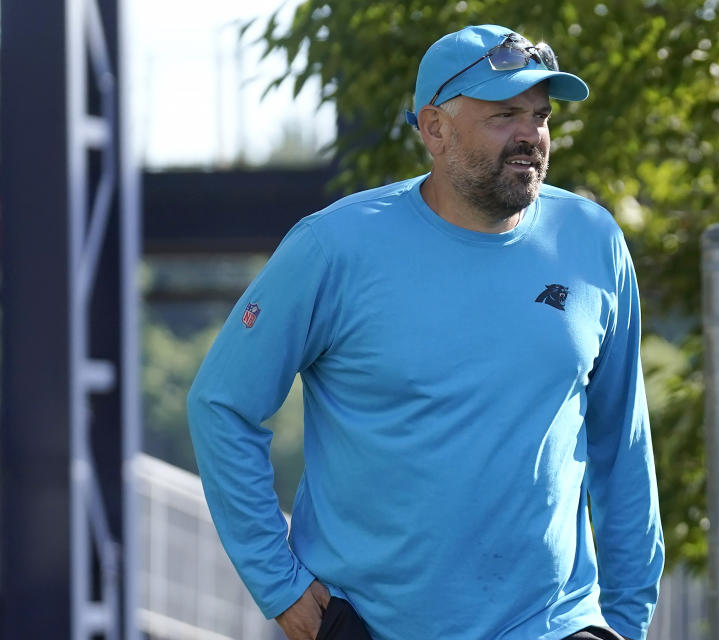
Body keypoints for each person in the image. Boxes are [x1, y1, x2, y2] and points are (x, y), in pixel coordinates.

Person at [187, 23, 664, 640]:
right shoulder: (333, 248)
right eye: (505, 115)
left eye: (541, 116)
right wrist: (281, 587)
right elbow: (220, 406)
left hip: (553, 626)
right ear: (434, 128)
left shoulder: (593, 241)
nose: (531, 135)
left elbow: (621, 446)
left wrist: (626, 620)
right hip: (373, 626)